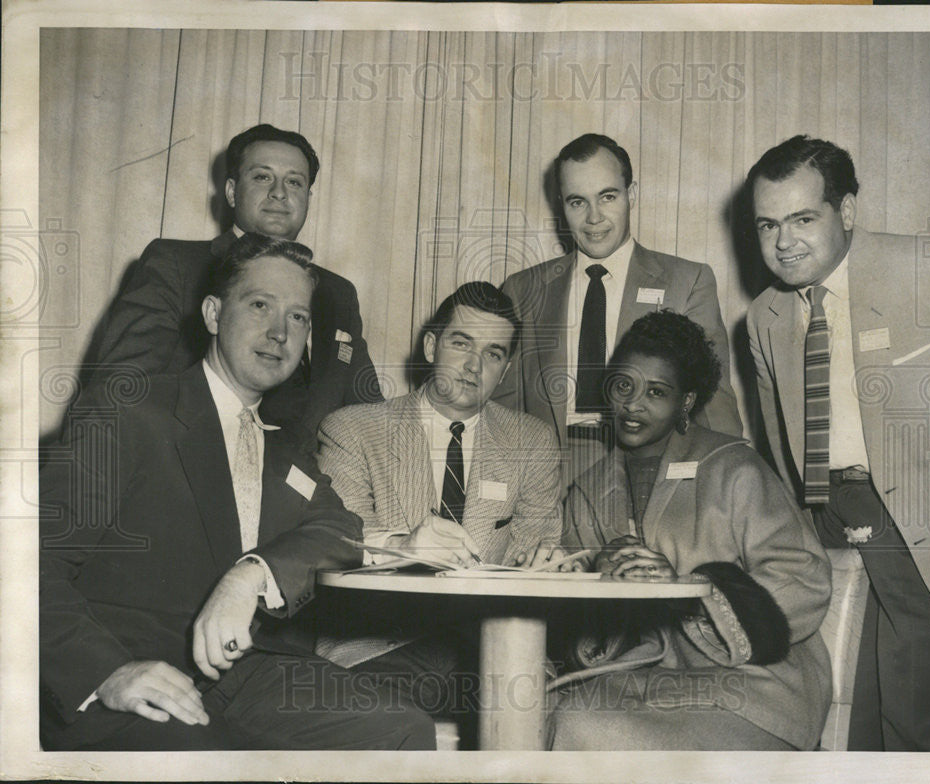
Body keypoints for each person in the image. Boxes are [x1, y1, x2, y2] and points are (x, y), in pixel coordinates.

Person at [39, 233, 435, 751]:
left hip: (247, 673)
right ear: (211, 314)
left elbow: (340, 528)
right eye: (259, 305)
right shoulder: (127, 411)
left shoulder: (282, 449)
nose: (279, 332)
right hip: (136, 676)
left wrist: (250, 574)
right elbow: (25, 565)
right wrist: (108, 672)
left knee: (404, 731)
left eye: (298, 318)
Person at [745, 135, 930, 751]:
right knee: (843, 696)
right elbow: (775, 444)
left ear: (848, 211)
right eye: (767, 225)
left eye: (802, 218)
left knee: (920, 696)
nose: (783, 241)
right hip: (824, 516)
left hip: (919, 516)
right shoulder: (762, 316)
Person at [550, 309, 832, 750]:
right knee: (556, 717)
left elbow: (805, 578)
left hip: (751, 688)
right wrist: (597, 575)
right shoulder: (587, 490)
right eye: (623, 385)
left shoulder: (735, 468)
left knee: (593, 730)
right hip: (647, 682)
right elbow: (572, 624)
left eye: (657, 392)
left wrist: (688, 590)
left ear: (685, 402)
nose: (633, 404)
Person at [314, 282, 562, 734]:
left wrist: (542, 565)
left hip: (492, 649)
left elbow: (536, 552)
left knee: (548, 719)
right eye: (461, 343)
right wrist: (405, 547)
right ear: (431, 346)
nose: (473, 366)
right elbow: (335, 542)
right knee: (388, 720)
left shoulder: (534, 444)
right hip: (378, 645)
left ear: (505, 370)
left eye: (493, 354)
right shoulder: (352, 430)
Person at [88, 123, 380, 451]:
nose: (280, 193)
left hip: (312, 491)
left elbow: (368, 415)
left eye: (294, 182)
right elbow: (119, 390)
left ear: (308, 199)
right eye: (262, 177)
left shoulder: (338, 294)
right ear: (231, 191)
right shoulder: (175, 265)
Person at [496, 133, 742, 491]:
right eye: (577, 202)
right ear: (561, 205)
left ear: (632, 194)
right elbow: (500, 415)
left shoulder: (687, 281)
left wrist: (727, 485)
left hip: (651, 475)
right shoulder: (522, 290)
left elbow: (714, 404)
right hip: (545, 479)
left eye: (607, 197)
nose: (594, 217)